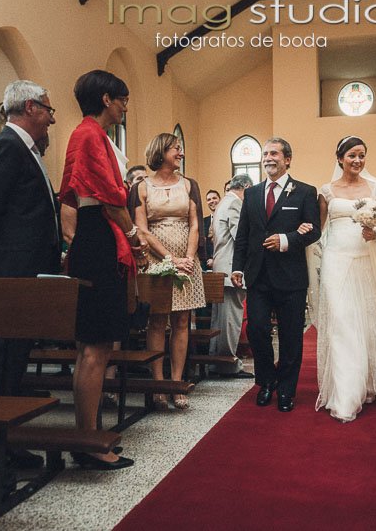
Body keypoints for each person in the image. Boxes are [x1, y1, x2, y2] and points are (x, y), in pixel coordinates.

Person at [58, 70, 140, 470]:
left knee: (93, 346)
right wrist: (134, 235)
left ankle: (86, 435)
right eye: (123, 99)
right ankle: (88, 443)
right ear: (106, 99)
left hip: (93, 237)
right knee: (95, 346)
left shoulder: (88, 134)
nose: (125, 107)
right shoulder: (90, 134)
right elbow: (110, 197)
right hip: (100, 236)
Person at [0, 80, 61, 408]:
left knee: (17, 348)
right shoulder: (7, 146)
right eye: (48, 110)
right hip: (11, 268)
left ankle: (7, 420)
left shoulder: (25, 148)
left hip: (25, 266)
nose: (52, 118)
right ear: (30, 108)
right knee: (4, 348)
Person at [231, 137, 321, 413]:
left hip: (291, 276)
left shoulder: (305, 192)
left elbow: (314, 231)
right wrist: (237, 267)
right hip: (258, 275)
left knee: (291, 335)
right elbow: (243, 235)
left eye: (274, 154)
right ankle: (267, 381)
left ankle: (286, 389)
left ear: (287, 159)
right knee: (257, 330)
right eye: (265, 154)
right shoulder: (253, 194)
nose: (268, 158)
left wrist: (286, 239)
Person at [314, 136, 376, 422]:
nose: (357, 160)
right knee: (341, 322)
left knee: (365, 320)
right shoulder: (326, 191)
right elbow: (318, 230)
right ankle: (345, 393)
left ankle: (365, 384)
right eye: (352, 155)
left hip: (364, 259)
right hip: (336, 260)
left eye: (362, 155)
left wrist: (375, 233)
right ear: (340, 158)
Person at [133, 133, 207, 410]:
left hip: (187, 260)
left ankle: (177, 384)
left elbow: (195, 224)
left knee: (181, 321)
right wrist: (170, 259)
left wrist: (187, 258)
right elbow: (141, 229)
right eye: (176, 148)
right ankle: (158, 385)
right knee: (156, 321)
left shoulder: (189, 185)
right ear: (161, 151)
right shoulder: (141, 187)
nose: (181, 153)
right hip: (157, 260)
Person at [209, 174, 254, 377]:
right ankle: (227, 364)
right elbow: (240, 237)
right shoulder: (235, 204)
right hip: (230, 267)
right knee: (230, 319)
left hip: (221, 265)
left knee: (219, 319)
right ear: (246, 187)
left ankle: (215, 362)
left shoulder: (223, 203)